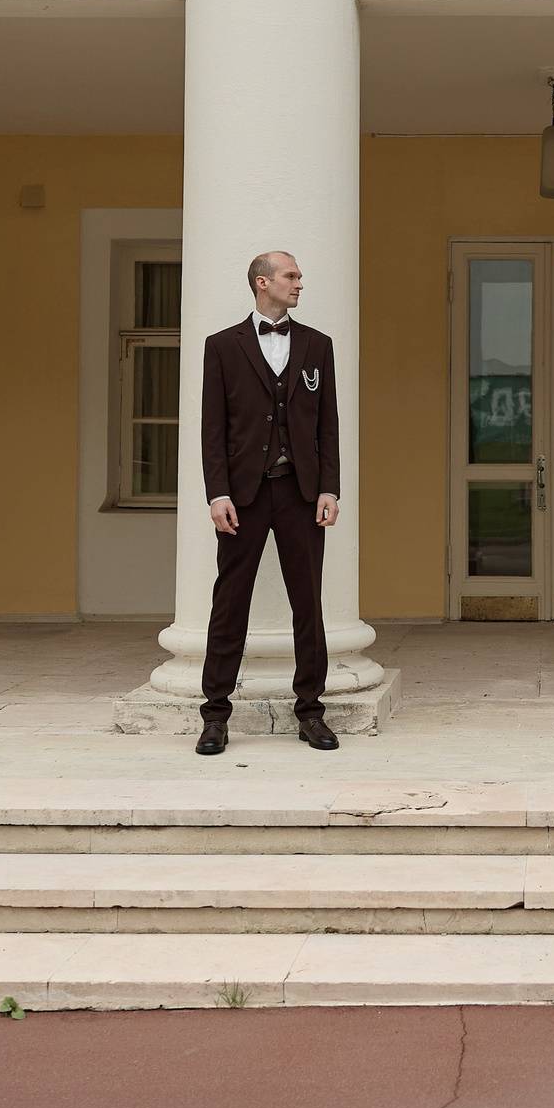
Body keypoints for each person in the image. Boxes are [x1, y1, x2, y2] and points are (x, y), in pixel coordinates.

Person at [194, 251, 342, 755]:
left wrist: (329, 488)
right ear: (263, 282)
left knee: (309, 604)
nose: (299, 283)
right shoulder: (222, 346)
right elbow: (212, 428)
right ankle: (215, 716)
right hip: (243, 496)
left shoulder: (317, 345)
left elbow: (327, 425)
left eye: (298, 276)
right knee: (229, 603)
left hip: (302, 493)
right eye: (291, 275)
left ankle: (311, 712)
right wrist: (217, 493)